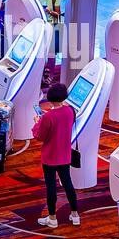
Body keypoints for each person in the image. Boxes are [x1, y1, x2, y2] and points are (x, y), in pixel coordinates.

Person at [33, 82, 80, 229]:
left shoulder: (48, 117)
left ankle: (52, 218)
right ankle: (75, 215)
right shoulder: (70, 111)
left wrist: (37, 123)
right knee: (68, 184)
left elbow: (40, 136)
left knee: (51, 187)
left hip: (50, 156)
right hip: (65, 154)